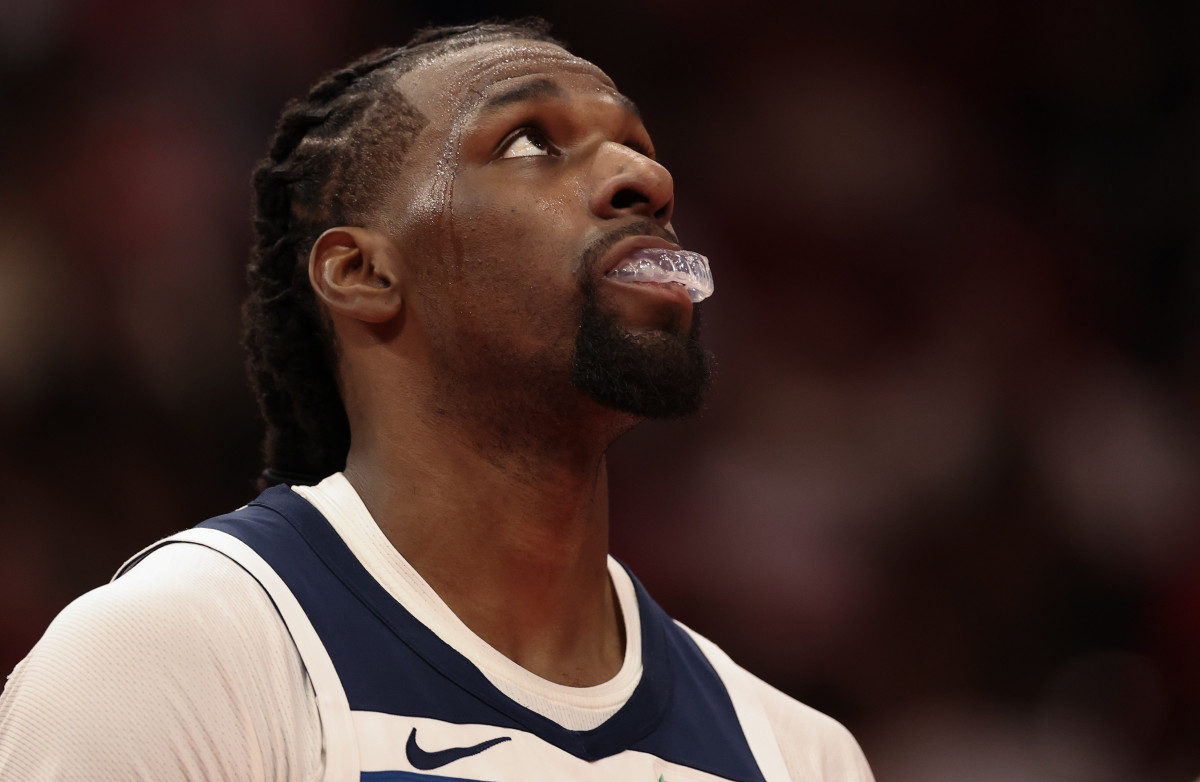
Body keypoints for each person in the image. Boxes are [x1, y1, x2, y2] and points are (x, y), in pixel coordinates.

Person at [0, 19, 874, 781]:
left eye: (641, 145)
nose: (646, 178)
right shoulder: (177, 657)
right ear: (363, 271)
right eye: (528, 142)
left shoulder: (800, 754)